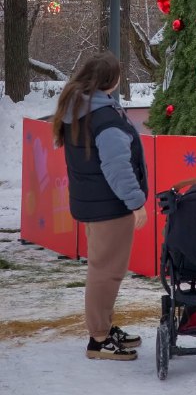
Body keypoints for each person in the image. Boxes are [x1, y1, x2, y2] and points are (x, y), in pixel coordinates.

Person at [52, 51, 148, 361]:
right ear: (112, 80)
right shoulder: (103, 116)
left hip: (93, 203)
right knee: (107, 272)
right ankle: (99, 338)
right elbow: (117, 167)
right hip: (109, 206)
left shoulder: (80, 107)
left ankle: (103, 327)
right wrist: (136, 203)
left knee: (102, 269)